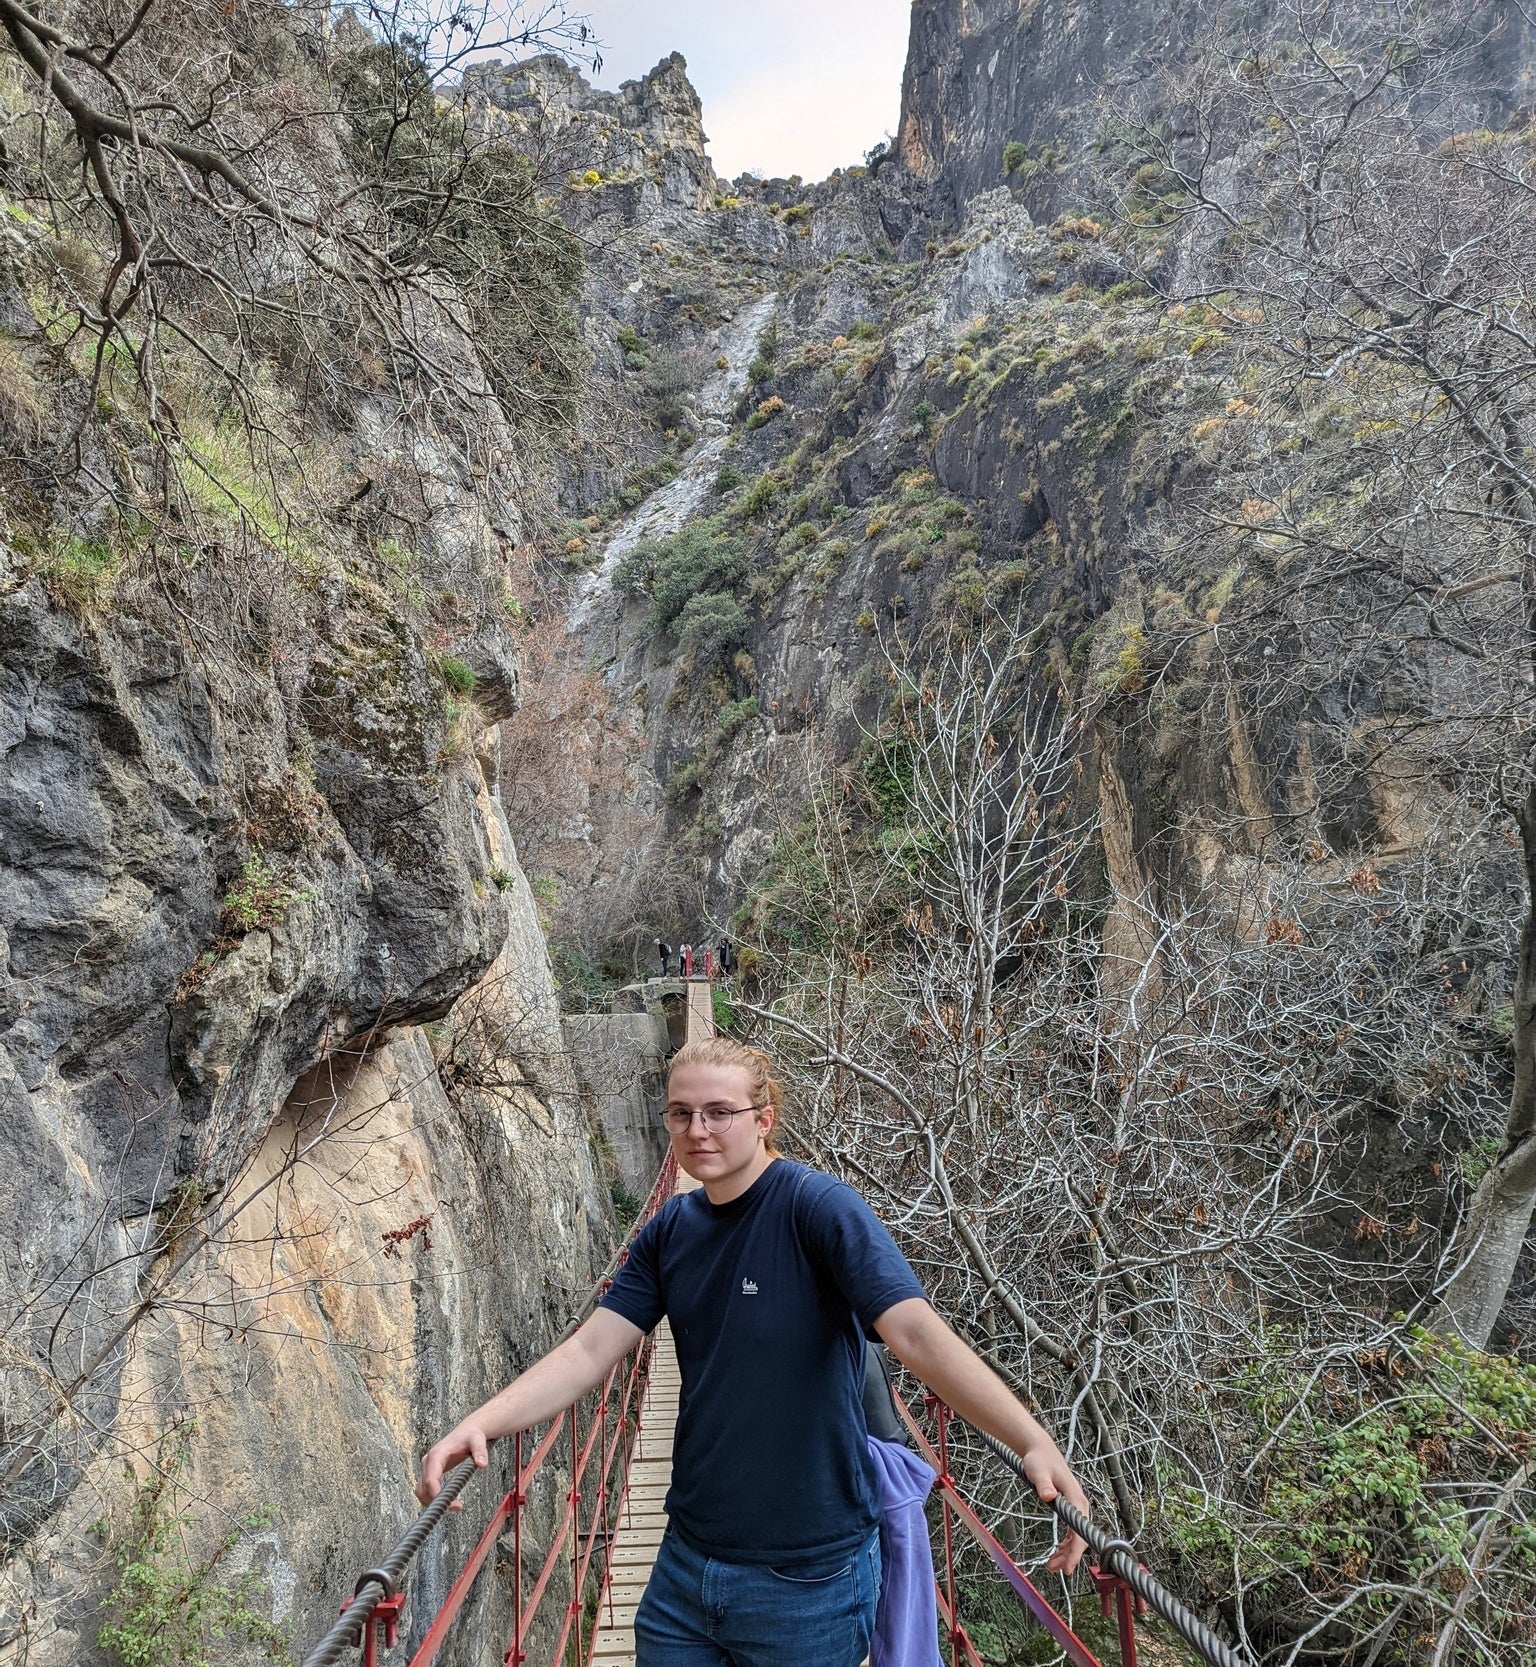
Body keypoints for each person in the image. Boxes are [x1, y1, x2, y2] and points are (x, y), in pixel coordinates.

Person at [416, 1037, 1090, 1667]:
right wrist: (483, 1420)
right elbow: (591, 1348)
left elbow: (915, 1332)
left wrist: (1029, 1438)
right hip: (686, 1561)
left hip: (808, 1576)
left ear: (764, 1117)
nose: (697, 1129)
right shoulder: (671, 1229)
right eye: (681, 1113)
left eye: (719, 1112)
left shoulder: (818, 1209)